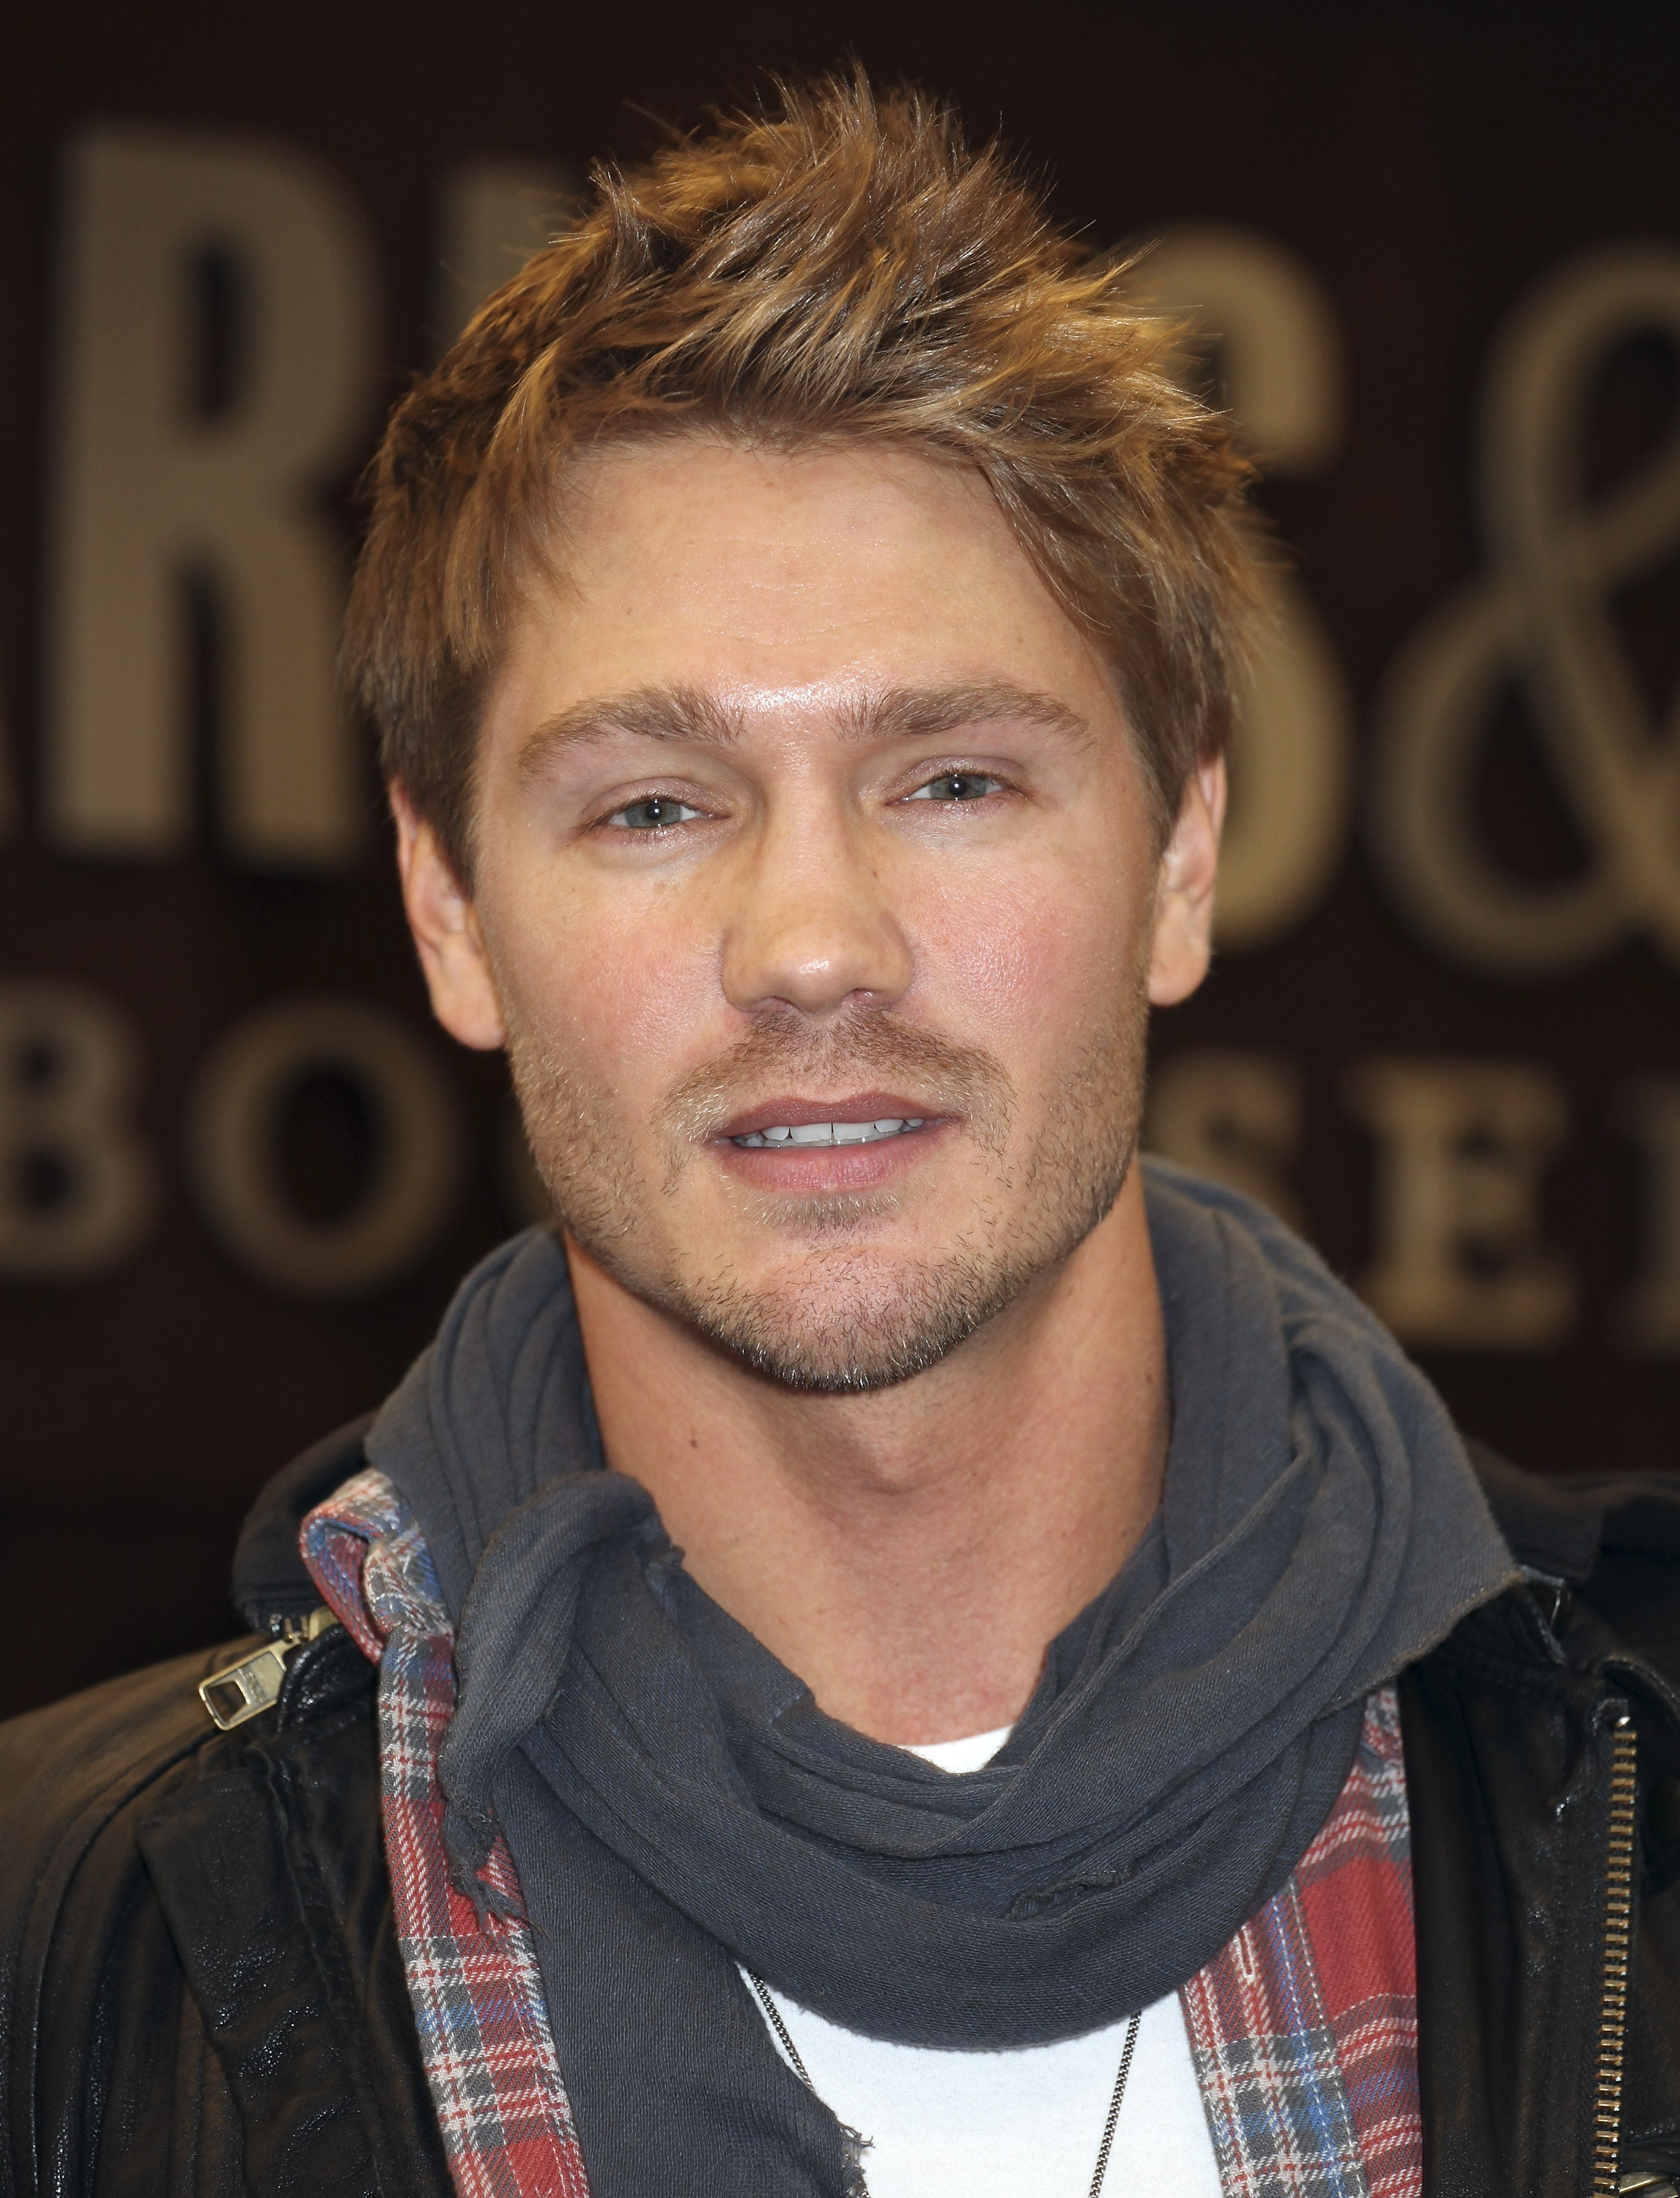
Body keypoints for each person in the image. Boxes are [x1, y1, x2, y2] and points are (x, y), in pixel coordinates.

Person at [6, 70, 1680, 2198]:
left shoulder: (1634, 1795)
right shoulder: (61, 1949)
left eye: (955, 778)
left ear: (1183, 852)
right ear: (448, 913)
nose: (810, 947)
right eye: (652, 806)